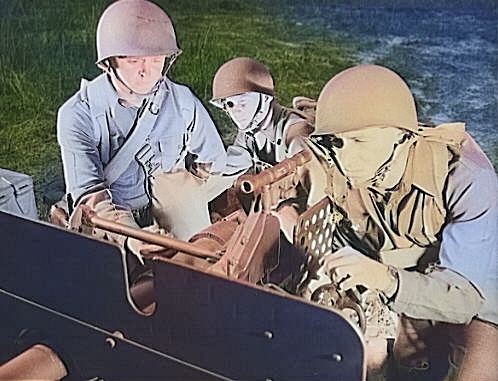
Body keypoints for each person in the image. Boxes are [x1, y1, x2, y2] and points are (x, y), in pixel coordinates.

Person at [299, 64, 498, 380]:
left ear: (403, 137)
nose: (345, 159)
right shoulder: (365, 162)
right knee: (407, 366)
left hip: (479, 301)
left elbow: (465, 299)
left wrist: (384, 279)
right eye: (338, 143)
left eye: (360, 142)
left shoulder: (469, 181)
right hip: (414, 282)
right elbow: (301, 128)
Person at [56, 0, 227, 256]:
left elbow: (211, 161)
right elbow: (92, 199)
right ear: (109, 63)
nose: (148, 72)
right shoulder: (78, 115)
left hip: (169, 209)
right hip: (115, 221)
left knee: (201, 262)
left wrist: (185, 196)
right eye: (134, 61)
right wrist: (135, 238)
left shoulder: (181, 101)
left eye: (156, 59)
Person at [210, 57, 314, 240]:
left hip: (304, 211)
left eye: (243, 103)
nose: (236, 112)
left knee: (286, 213)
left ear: (265, 100)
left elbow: (312, 178)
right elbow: (228, 167)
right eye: (229, 105)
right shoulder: (249, 133)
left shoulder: (295, 130)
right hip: (271, 206)